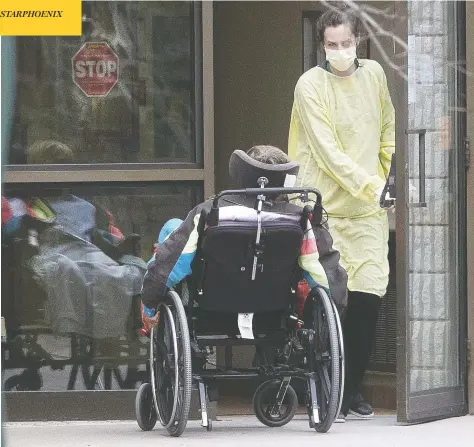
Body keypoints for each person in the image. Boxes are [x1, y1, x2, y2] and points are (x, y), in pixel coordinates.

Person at [288, 6, 395, 420]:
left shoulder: (374, 77)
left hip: (367, 211)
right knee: (329, 304)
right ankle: (324, 384)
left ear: (359, 42)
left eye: (346, 44)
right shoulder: (310, 86)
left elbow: (387, 124)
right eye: (331, 45)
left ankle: (350, 390)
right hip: (325, 209)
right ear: (322, 46)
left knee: (368, 298)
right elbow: (328, 152)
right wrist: (372, 185)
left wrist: (385, 172)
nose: (339, 51)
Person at [140, 145, 348, 335]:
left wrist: (150, 306)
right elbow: (326, 278)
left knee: (173, 227)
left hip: (210, 304)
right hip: (275, 307)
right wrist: (328, 315)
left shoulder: (209, 213)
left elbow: (169, 266)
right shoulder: (301, 220)